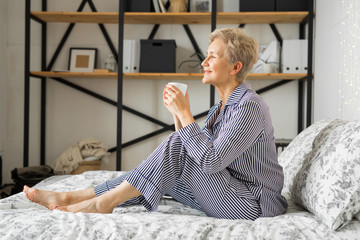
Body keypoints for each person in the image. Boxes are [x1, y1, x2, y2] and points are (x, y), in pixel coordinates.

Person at [24, 27, 288, 220]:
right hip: (228, 190)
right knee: (157, 172)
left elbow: (210, 161)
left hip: (251, 204)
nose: (204, 63)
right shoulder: (220, 107)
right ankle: (78, 197)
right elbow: (189, 153)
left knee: (173, 148)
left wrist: (185, 114)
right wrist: (177, 113)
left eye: (212, 57)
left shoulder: (249, 106)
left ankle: (100, 203)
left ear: (234, 67)